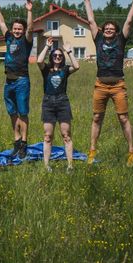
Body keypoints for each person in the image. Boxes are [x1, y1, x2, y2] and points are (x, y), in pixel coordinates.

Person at [83, 0, 133, 166]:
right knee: (97, 118)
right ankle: (92, 151)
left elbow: (129, 22)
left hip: (118, 86)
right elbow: (91, 21)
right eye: (106, 28)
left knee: (123, 118)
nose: (108, 30)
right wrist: (87, 0)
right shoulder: (98, 39)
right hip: (100, 85)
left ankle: (131, 152)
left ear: (115, 32)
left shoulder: (120, 40)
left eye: (111, 28)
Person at [0, 0, 33, 159]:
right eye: (15, 28)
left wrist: (29, 11)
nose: (16, 31)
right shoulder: (8, 37)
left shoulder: (26, 41)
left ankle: (24, 143)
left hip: (22, 81)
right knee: (12, 113)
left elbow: (30, 28)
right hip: (8, 82)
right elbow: (1, 21)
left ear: (22, 31)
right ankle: (16, 143)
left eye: (19, 29)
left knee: (23, 113)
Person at [36, 37, 79, 172]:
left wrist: (69, 52)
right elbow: (38, 60)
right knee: (48, 136)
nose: (58, 57)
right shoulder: (46, 69)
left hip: (62, 102)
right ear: (51, 56)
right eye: (55, 55)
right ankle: (47, 165)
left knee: (66, 135)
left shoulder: (65, 70)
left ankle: (70, 166)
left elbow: (77, 66)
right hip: (48, 103)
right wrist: (47, 47)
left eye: (60, 55)